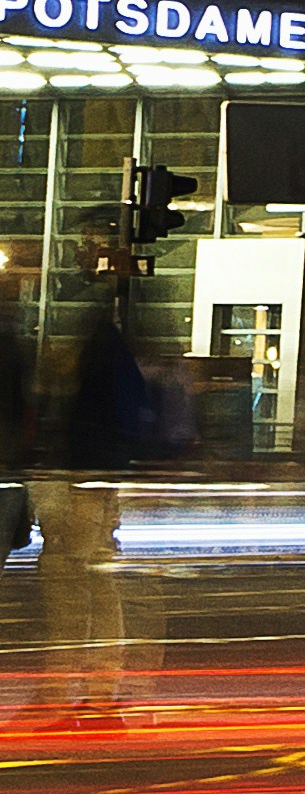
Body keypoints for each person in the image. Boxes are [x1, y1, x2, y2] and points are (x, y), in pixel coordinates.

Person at [28, 304, 162, 729]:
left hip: (79, 481)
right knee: (101, 584)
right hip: (105, 480)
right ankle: (102, 693)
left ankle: (56, 695)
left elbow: (66, 427)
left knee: (66, 585)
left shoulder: (92, 360)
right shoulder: (120, 359)